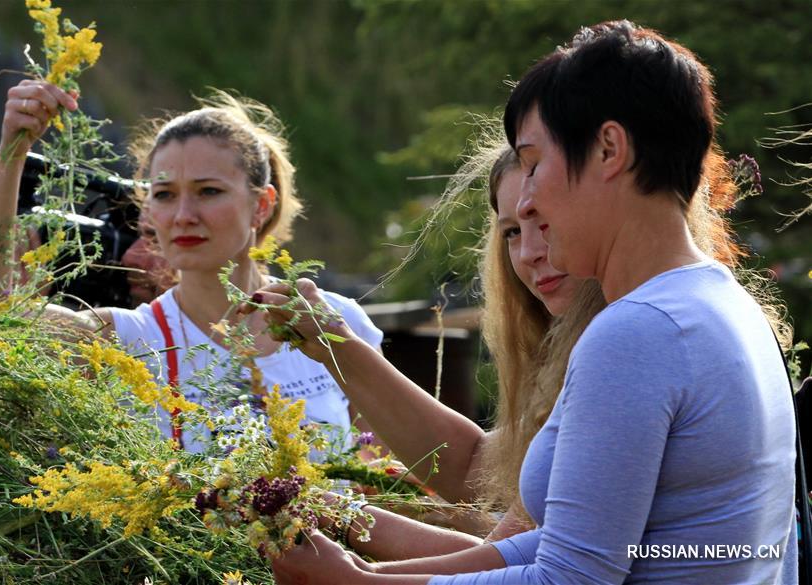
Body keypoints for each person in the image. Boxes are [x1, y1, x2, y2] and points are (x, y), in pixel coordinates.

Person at [254, 20, 796, 584]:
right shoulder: (723, 304)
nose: (529, 195)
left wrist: (359, 583)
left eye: (534, 163)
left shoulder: (638, 331)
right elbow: (575, 545)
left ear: (609, 149)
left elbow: (568, 576)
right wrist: (367, 569)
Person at [0, 80, 384, 453]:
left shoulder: (337, 323)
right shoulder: (126, 340)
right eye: (165, 195)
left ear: (261, 205)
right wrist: (13, 151)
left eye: (208, 191)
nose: (184, 214)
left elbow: (387, 480)